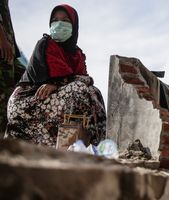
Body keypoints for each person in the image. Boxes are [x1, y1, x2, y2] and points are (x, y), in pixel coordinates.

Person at [4, 4, 106, 147]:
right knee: (78, 89)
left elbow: (85, 80)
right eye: (55, 20)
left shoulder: (77, 54)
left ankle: (93, 147)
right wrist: (57, 83)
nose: (59, 24)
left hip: (53, 100)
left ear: (74, 26)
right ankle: (69, 145)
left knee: (94, 93)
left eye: (65, 20)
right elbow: (74, 80)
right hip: (28, 100)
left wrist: (58, 84)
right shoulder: (45, 44)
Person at [0, 0, 26, 136]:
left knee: (27, 80)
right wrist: (2, 39)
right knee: (5, 95)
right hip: (2, 49)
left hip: (10, 53)